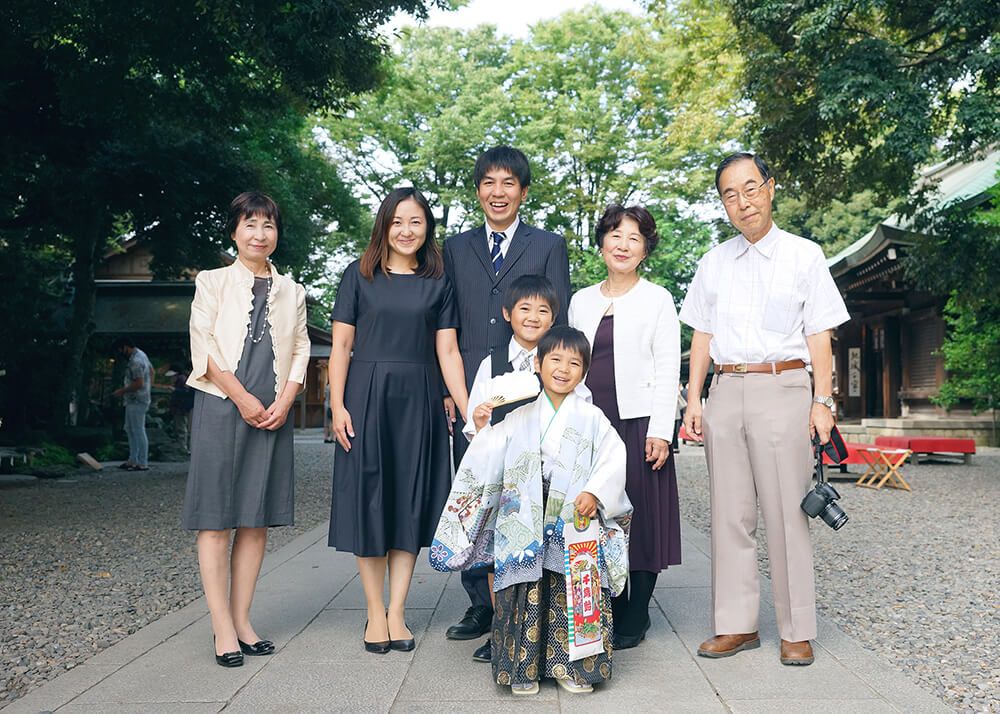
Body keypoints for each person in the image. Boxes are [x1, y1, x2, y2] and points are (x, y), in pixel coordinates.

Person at [679, 152, 850, 666]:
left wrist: (823, 400)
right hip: (726, 391)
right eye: (730, 194)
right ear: (723, 204)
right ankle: (737, 624)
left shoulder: (804, 255)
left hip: (785, 387)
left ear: (770, 188)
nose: (742, 201)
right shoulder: (714, 261)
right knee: (730, 513)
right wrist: (694, 398)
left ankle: (797, 628)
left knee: (786, 512)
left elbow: (820, 333)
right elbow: (702, 335)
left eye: (750, 188)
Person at [431, 326, 632, 696]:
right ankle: (519, 667)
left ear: (584, 371)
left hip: (574, 514)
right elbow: (489, 453)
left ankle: (575, 668)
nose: (564, 368)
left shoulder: (592, 418)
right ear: (537, 364)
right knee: (523, 587)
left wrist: (595, 491)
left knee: (574, 590)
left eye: (574, 363)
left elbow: (613, 457)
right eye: (555, 359)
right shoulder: (520, 416)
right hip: (524, 516)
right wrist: (481, 427)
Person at [328, 187, 469, 655]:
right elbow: (342, 347)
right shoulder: (357, 276)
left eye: (416, 222)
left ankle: (398, 612)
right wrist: (338, 404)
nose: (407, 231)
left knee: (409, 502)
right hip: (365, 398)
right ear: (384, 226)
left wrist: (469, 410)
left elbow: (447, 350)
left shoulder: (438, 280)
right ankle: (373, 611)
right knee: (370, 502)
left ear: (427, 228)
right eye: (397, 222)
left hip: (421, 400)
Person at [442, 145, 571, 644]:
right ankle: (481, 603)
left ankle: (523, 602)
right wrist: (450, 391)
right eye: (489, 183)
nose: (498, 192)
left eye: (509, 183)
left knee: (526, 497)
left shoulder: (548, 245)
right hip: (474, 393)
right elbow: (446, 326)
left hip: (533, 388)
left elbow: (557, 321)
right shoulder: (455, 248)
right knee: (473, 495)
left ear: (523, 190)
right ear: (478, 190)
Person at [182, 191, 310, 668]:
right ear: (234, 231)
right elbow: (204, 345)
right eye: (250, 224)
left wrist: (285, 400)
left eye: (268, 226)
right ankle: (220, 627)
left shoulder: (293, 291)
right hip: (221, 406)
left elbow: (300, 349)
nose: (260, 234)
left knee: (256, 521)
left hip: (273, 410)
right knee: (216, 520)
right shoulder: (211, 282)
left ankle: (242, 620)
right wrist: (241, 396)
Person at [568, 204, 681, 649]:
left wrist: (661, 430)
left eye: (634, 238)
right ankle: (605, 601)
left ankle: (638, 610)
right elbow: (568, 362)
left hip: (638, 423)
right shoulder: (581, 300)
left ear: (644, 250)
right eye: (616, 235)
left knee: (643, 515)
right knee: (593, 510)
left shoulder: (657, 298)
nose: (623, 244)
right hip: (592, 423)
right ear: (602, 244)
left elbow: (668, 364)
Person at [112, 337, 153, 472]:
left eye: (120, 349)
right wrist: (149, 389)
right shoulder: (142, 355)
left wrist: (121, 391)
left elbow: (138, 382)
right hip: (138, 398)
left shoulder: (135, 361)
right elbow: (152, 372)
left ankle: (142, 462)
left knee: (137, 430)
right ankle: (133, 459)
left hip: (136, 399)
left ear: (125, 347)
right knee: (131, 429)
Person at [166, 363, 194, 453]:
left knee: (182, 428)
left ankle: (184, 447)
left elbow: (187, 393)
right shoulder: (183, 379)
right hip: (182, 408)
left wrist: (175, 390)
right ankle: (185, 447)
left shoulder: (182, 380)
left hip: (182, 408)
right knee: (184, 428)